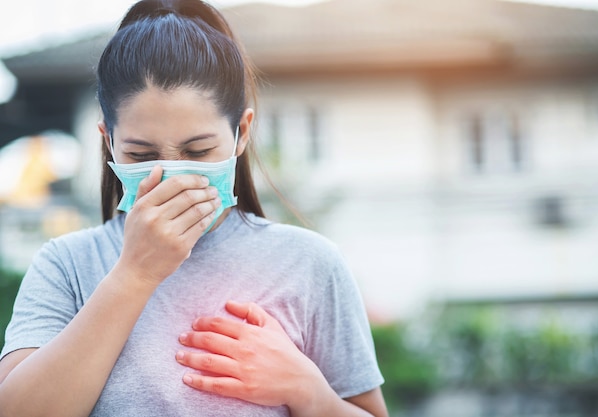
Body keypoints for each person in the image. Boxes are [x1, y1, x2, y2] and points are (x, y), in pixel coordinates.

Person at [0, 0, 388, 416]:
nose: (172, 176)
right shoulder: (67, 265)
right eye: (141, 153)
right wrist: (135, 274)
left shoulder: (310, 262)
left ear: (241, 133)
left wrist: (309, 391)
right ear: (108, 140)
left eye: (197, 151)